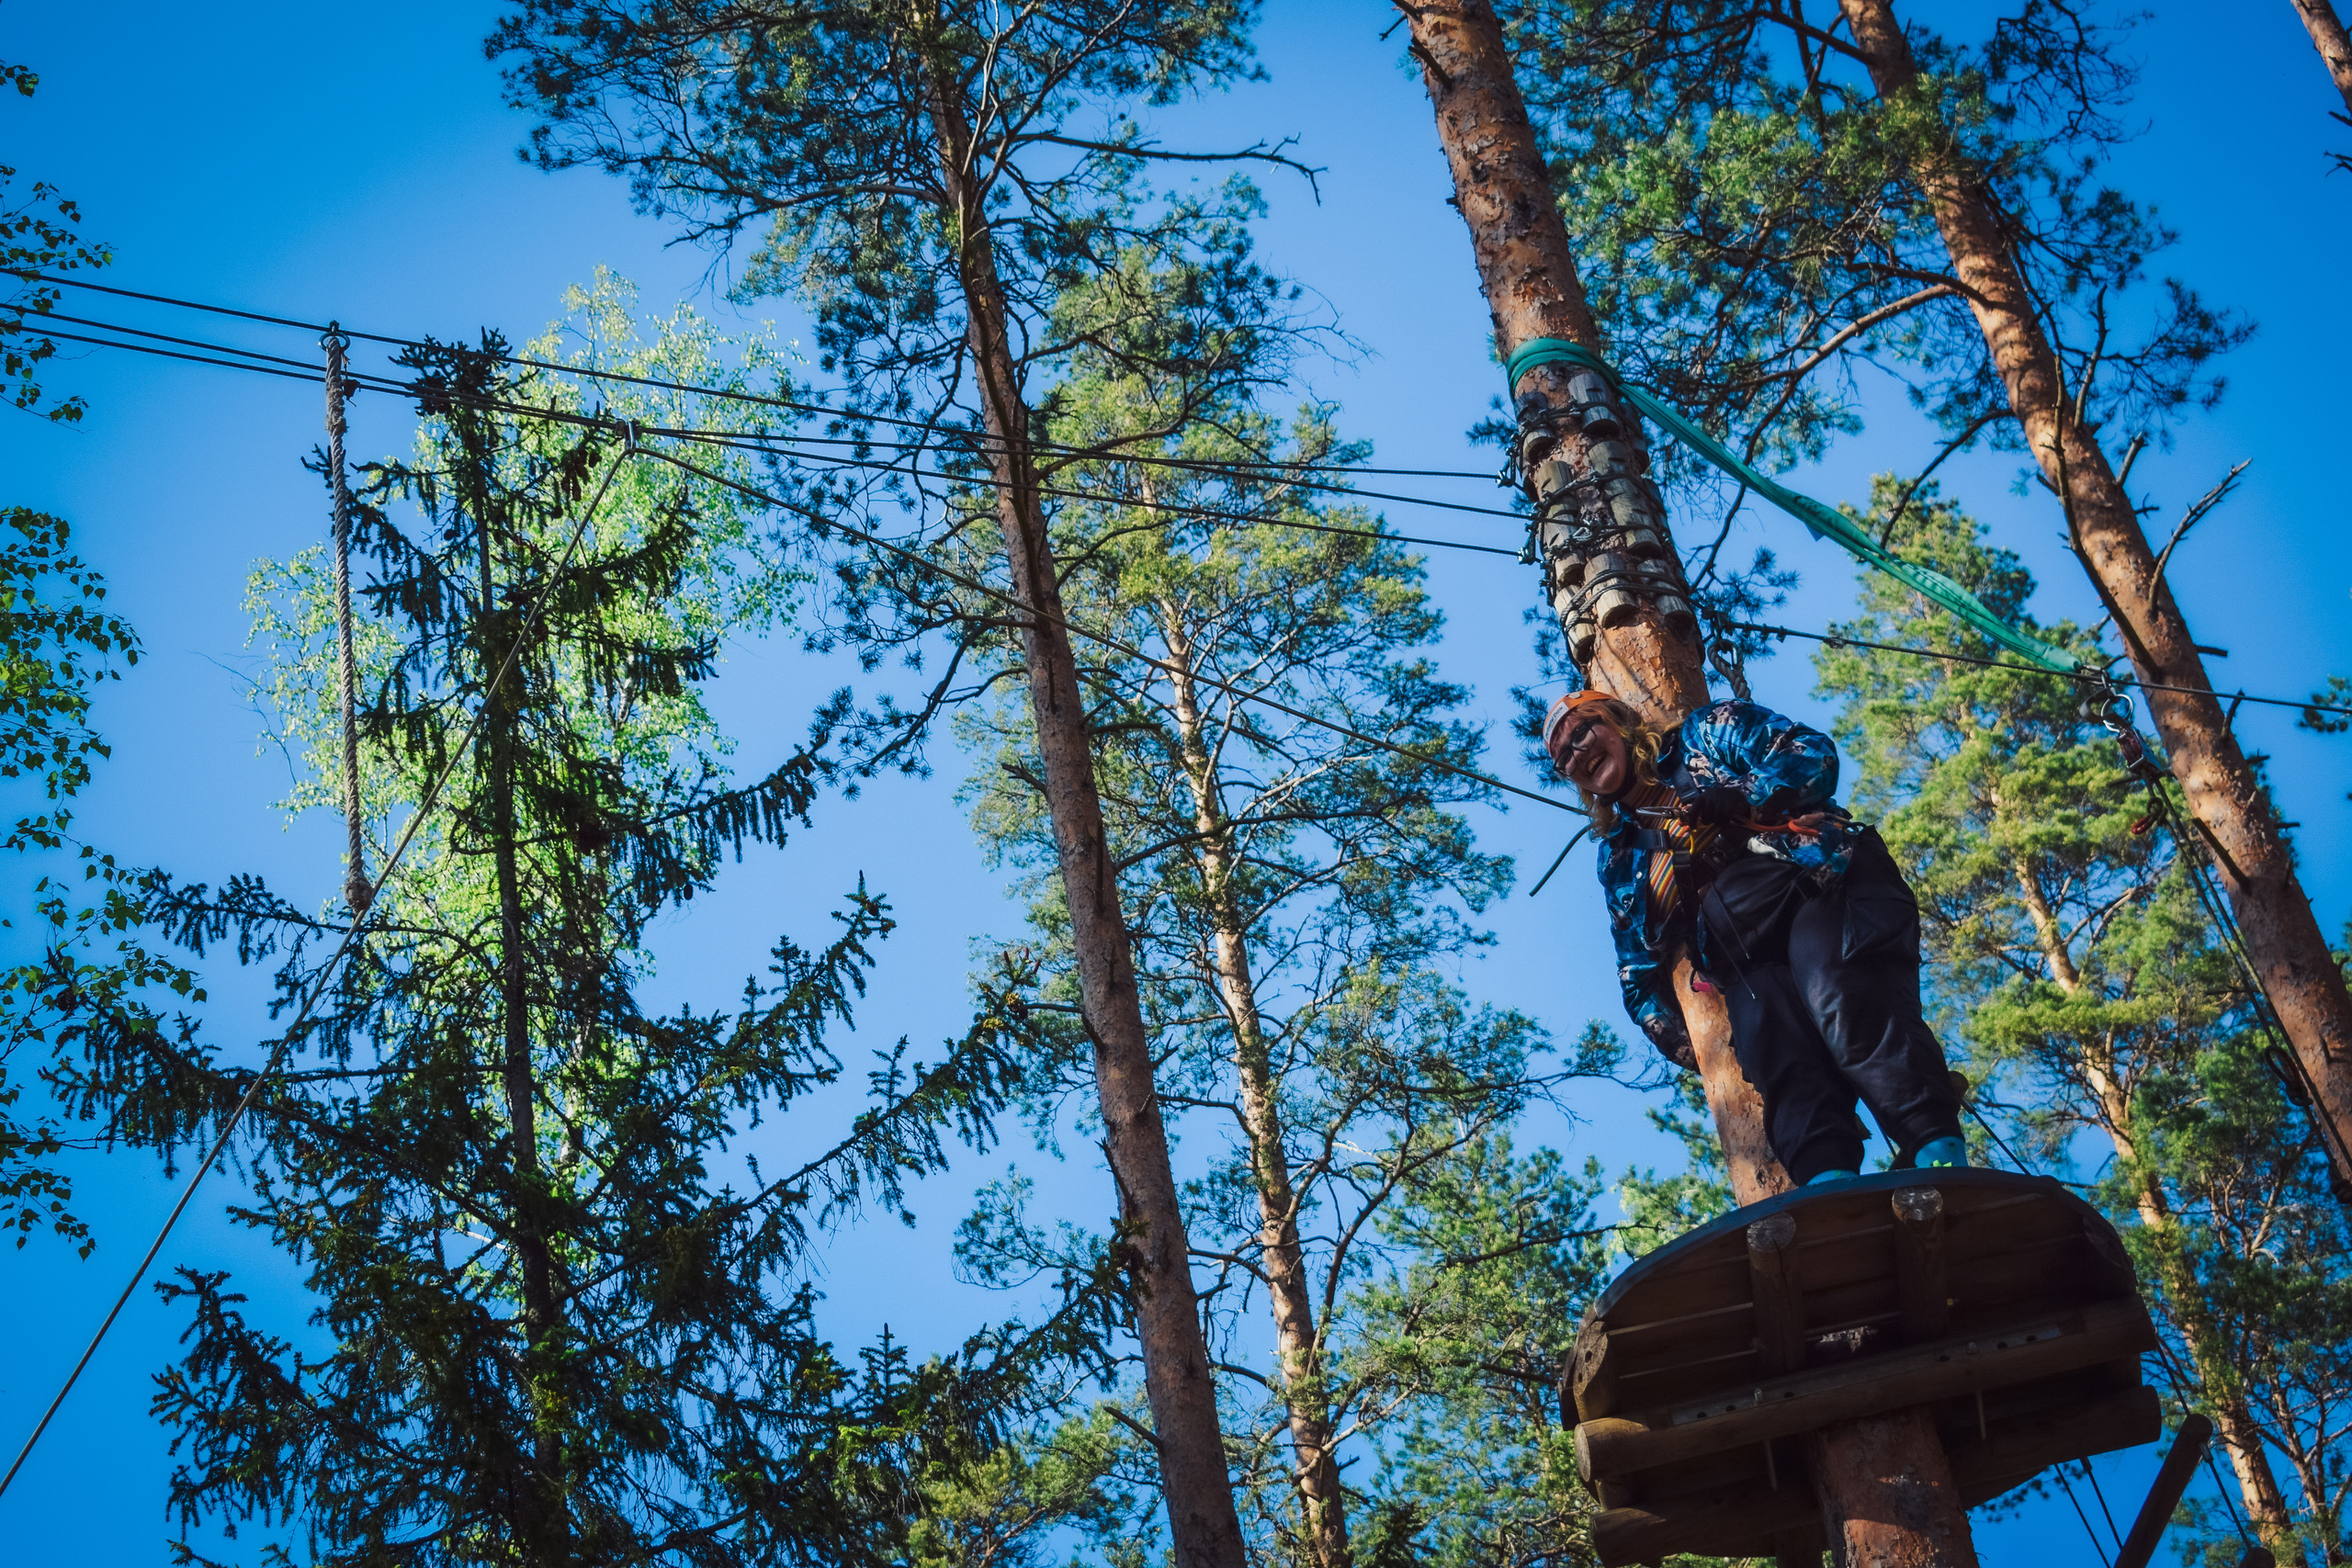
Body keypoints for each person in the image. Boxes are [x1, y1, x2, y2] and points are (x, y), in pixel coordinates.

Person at [1544, 688, 1967, 1186]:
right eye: (1563, 757)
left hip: (1820, 888)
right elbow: (1636, 979)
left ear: (1616, 722)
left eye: (1582, 732)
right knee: (1771, 1041)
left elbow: (1812, 755)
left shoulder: (1705, 736)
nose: (1577, 752)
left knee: (1840, 994)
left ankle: (1936, 1153)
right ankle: (1829, 1188)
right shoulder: (1619, 861)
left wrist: (1742, 796)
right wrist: (1691, 1050)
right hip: (1748, 957)